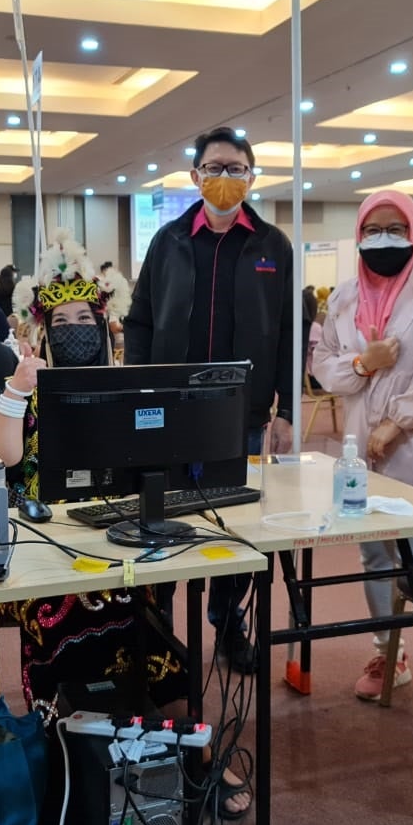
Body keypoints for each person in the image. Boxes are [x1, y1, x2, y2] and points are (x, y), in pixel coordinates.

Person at [0, 229, 251, 818]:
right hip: (48, 572)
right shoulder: (23, 391)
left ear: (107, 325)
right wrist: (15, 391)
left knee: (154, 639)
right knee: (92, 631)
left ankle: (181, 752)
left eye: (87, 316)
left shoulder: (129, 385)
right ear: (40, 327)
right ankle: (104, 752)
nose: (75, 327)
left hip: (122, 550)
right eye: (63, 318)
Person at [124, 126, 295, 673]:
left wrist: (286, 408)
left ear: (251, 176)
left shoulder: (273, 246)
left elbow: (291, 331)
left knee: (235, 525)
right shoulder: (169, 241)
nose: (225, 178)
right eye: (214, 168)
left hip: (240, 414)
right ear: (196, 176)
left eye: (236, 169)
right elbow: (141, 319)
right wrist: (139, 390)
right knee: (164, 520)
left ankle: (227, 621)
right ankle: (160, 632)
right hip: (171, 410)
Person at [312, 189, 413, 700]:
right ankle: (388, 652)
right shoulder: (342, 298)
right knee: (376, 557)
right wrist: (365, 362)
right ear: (358, 237)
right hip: (364, 452)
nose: (384, 239)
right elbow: (323, 368)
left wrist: (398, 423)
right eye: (373, 230)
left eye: (395, 229)